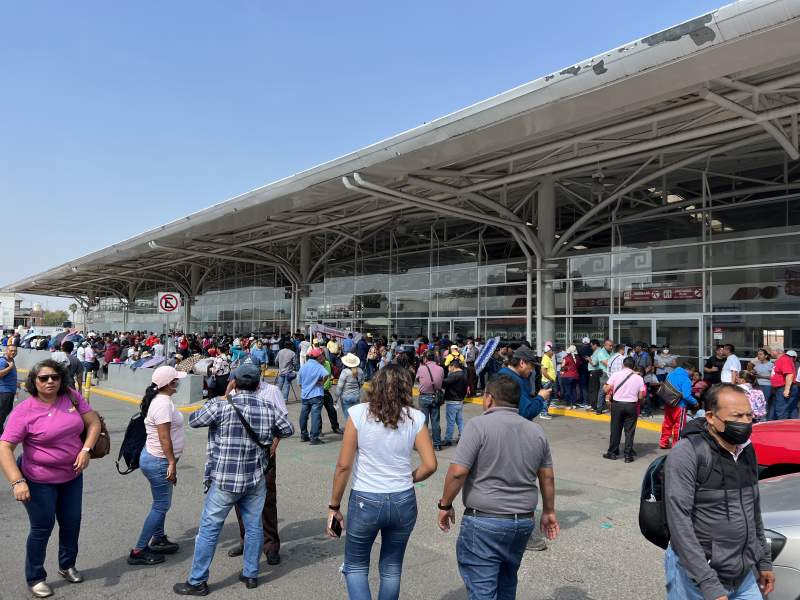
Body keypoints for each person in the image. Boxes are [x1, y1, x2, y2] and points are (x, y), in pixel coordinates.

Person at [174, 363, 294, 595]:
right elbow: (287, 429)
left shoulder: (221, 405)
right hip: (255, 478)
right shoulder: (268, 406)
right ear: (259, 384)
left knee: (209, 529)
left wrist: (225, 396)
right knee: (254, 527)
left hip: (224, 478)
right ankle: (250, 574)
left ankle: (197, 580)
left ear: (234, 382)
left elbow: (194, 420)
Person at [437, 375, 559, 599]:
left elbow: (458, 473)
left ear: (489, 398)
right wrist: (549, 512)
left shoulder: (478, 426)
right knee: (506, 583)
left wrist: (445, 504)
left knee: (483, 589)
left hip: (484, 521)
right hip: (522, 521)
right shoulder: (536, 431)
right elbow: (547, 478)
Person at [327, 363, 437, 600]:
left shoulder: (358, 414)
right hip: (403, 498)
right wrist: (408, 478)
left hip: (366, 499)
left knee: (355, 566)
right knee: (391, 568)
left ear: (375, 384)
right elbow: (430, 465)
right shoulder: (416, 418)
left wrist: (334, 506)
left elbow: (344, 466)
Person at [0, 359, 102, 598]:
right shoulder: (24, 412)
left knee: (72, 522)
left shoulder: (71, 396)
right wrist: (17, 481)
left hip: (71, 476)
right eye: (43, 378)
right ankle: (35, 577)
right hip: (38, 479)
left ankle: (67, 565)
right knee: (41, 528)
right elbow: (5, 447)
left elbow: (94, 422)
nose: (50, 382)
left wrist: (85, 450)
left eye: (55, 377)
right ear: (33, 382)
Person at [663, 383, 774, 600]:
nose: (744, 422)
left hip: (743, 576)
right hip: (697, 577)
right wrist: (708, 583)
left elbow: (754, 512)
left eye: (749, 415)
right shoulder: (687, 453)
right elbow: (679, 523)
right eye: (737, 416)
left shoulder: (747, 450)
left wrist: (763, 560)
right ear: (712, 417)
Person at [226, 375, 289, 566]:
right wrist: (228, 392)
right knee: (240, 499)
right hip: (240, 455)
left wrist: (273, 446)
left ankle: (271, 546)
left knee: (268, 500)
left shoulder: (272, 391)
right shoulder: (236, 391)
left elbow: (283, 422)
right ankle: (246, 541)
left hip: (264, 453)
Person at [128, 366, 187, 566]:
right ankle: (139, 550)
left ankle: (159, 538)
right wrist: (171, 462)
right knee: (161, 505)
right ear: (169, 384)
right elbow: (164, 437)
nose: (178, 382)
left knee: (160, 503)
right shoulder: (162, 404)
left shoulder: (161, 400)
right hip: (160, 461)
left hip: (155, 459)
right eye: (176, 380)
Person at [603, 357, 646, 462]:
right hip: (631, 405)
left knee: (615, 429)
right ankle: (628, 455)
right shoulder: (639, 378)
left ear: (623, 365)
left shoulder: (616, 374)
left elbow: (606, 389)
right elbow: (641, 396)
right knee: (630, 431)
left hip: (617, 405)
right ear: (634, 366)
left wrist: (606, 387)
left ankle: (612, 453)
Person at [659, 363, 699, 450]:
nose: (692, 373)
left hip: (668, 403)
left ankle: (663, 442)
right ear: (689, 370)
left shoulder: (670, 374)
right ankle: (677, 445)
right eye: (692, 371)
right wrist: (695, 402)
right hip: (680, 405)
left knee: (667, 423)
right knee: (679, 426)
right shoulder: (686, 379)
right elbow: (686, 396)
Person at [298, 347, 329, 445]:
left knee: (303, 415)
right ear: (318, 357)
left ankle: (304, 435)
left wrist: (306, 386)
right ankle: (314, 437)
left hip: (305, 395)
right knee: (315, 416)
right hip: (316, 394)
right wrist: (320, 382)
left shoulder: (303, 366)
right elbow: (326, 375)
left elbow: (299, 383)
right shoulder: (319, 367)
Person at [415, 350, 445, 451]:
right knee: (435, 422)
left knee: (423, 423)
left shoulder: (421, 368)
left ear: (425, 358)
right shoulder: (440, 369)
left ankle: (423, 444)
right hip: (435, 396)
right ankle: (437, 444)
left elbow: (417, 380)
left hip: (424, 396)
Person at [441, 359, 467, 447]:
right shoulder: (463, 374)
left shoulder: (455, 375)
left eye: (449, 367)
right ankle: (463, 437)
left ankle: (448, 439)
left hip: (453, 401)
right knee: (459, 420)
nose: (448, 368)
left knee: (450, 421)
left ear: (453, 366)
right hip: (460, 401)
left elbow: (444, 383)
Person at [769, 344, 795, 420]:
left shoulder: (784, 360)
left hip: (782, 388)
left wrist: (786, 390)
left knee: (781, 411)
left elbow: (789, 375)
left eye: (771, 351)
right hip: (778, 389)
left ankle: (782, 429)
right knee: (778, 410)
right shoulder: (779, 360)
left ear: (777, 351)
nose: (770, 353)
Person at [336, 353, 365, 421]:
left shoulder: (345, 372)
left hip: (346, 397)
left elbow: (339, 387)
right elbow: (362, 383)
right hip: (356, 396)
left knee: (348, 417)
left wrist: (335, 399)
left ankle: (350, 430)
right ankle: (356, 430)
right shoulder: (360, 371)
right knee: (356, 416)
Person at [748, 348, 774, 418]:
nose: (758, 356)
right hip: (758, 385)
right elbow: (754, 371)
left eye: (760, 354)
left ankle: (765, 419)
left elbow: (772, 377)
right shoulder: (758, 364)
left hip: (767, 386)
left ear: (766, 356)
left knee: (764, 403)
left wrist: (761, 376)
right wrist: (752, 372)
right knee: (758, 403)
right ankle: (760, 418)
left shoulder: (770, 365)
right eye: (758, 355)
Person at [0, 344, 18, 433]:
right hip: (4, 392)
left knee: (6, 411)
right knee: (2, 413)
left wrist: (16, 384)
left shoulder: (11, 360)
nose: (13, 352)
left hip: (10, 392)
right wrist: (10, 367)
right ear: (7, 351)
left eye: (15, 351)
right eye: (11, 350)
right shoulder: (3, 361)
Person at [536, 345, 556, 419]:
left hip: (548, 381)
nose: (553, 352)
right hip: (547, 381)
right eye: (551, 351)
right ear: (548, 351)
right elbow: (543, 371)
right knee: (546, 398)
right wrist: (550, 379)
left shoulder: (547, 358)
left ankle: (544, 412)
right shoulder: (546, 359)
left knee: (548, 398)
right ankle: (543, 413)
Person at [559, 345, 580, 409]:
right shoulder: (578, 358)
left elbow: (562, 367)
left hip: (567, 376)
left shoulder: (566, 357)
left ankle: (568, 404)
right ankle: (573, 404)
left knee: (567, 390)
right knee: (573, 390)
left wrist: (561, 372)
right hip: (575, 376)